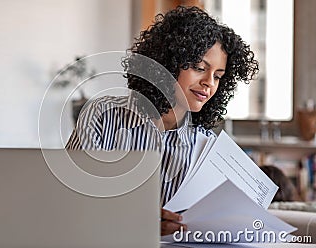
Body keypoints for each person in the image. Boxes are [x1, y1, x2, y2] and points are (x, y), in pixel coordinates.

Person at [66, 6, 259, 236]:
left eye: (218, 76)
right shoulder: (102, 115)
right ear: (167, 62)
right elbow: (69, 200)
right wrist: (138, 222)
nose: (209, 83)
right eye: (199, 68)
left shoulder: (205, 146)